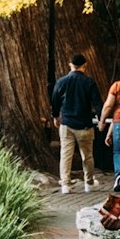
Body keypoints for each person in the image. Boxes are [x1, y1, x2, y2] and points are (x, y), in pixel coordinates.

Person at [49, 56, 104, 192]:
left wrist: (56, 116)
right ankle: (89, 183)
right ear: (84, 65)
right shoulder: (89, 82)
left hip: (66, 123)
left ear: (70, 65)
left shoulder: (61, 82)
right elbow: (97, 103)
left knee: (66, 155)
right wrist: (101, 119)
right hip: (85, 123)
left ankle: (66, 184)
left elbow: (55, 100)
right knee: (87, 156)